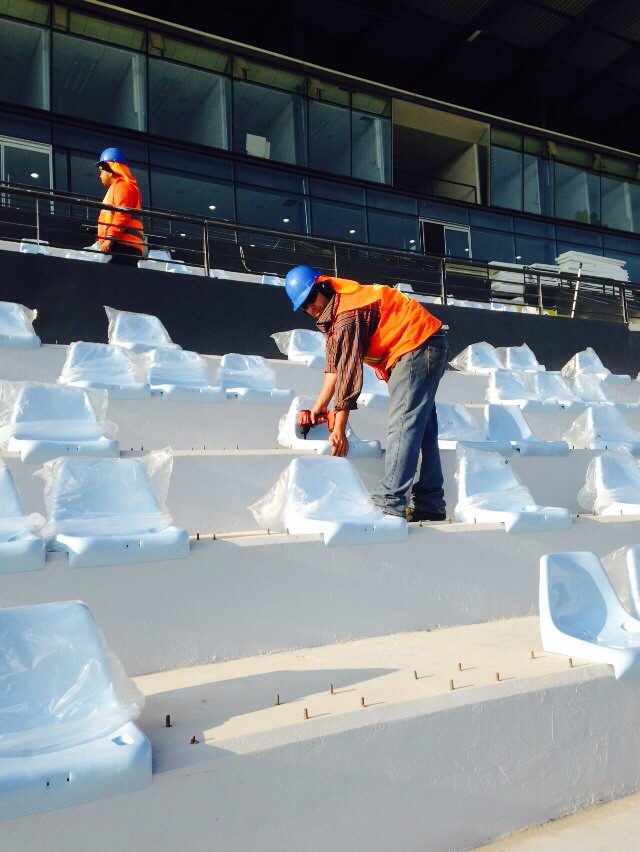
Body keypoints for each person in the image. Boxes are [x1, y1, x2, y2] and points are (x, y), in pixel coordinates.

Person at [284, 265, 449, 521]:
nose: (310, 308)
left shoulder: (347, 315)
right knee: (424, 429)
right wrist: (320, 407)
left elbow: (349, 376)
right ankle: (430, 503)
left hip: (416, 346)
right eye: (303, 306)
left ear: (323, 288)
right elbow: (333, 369)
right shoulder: (333, 317)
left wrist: (338, 427)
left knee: (402, 425)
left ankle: (389, 502)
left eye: (310, 299)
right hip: (424, 344)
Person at [93, 147, 144, 266]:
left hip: (124, 246)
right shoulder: (117, 188)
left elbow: (122, 215)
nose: (100, 175)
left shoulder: (123, 187)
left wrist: (110, 238)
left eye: (101, 171)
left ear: (110, 170)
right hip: (121, 245)